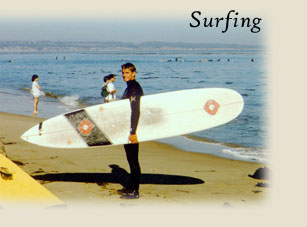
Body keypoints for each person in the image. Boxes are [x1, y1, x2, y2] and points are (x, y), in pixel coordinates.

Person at [118, 63, 144, 199]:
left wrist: (133, 132)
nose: (124, 75)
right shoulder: (129, 88)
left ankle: (135, 191)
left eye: (127, 72)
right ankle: (130, 187)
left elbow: (136, 111)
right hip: (127, 129)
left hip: (133, 130)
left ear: (133, 73)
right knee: (130, 159)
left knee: (133, 161)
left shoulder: (134, 89)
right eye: (123, 72)